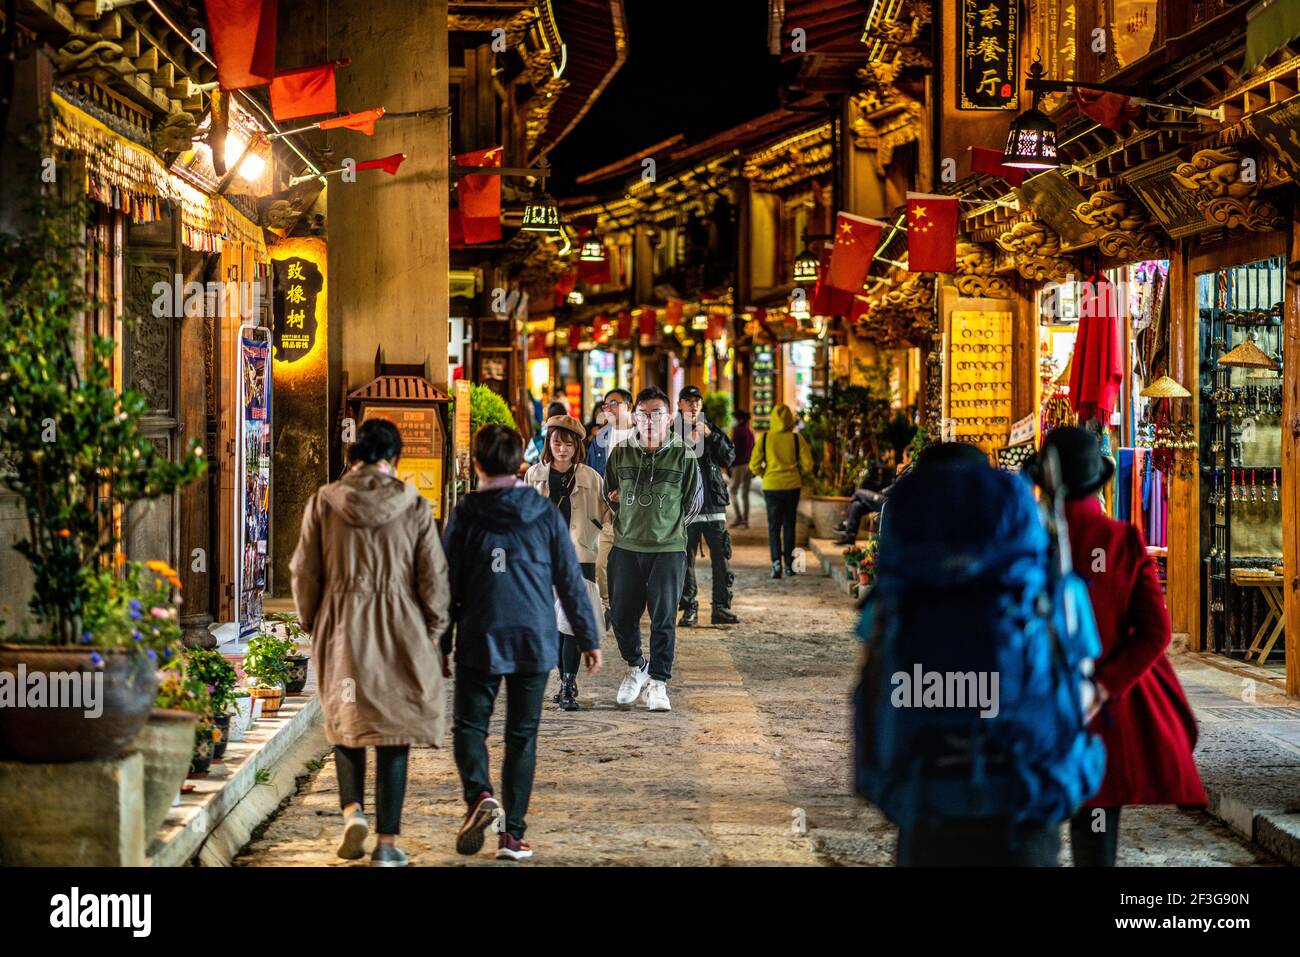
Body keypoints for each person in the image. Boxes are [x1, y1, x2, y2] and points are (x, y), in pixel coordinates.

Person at [853, 442, 1105, 867]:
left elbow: (874, 684)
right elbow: (1080, 683)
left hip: (926, 805)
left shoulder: (895, 600)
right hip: (1024, 807)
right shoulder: (1050, 590)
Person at [1028, 426, 1206, 867]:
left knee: (1034, 831)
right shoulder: (1121, 540)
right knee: (1096, 834)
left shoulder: (1022, 543)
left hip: (1031, 711)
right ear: (1097, 481)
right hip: (1101, 717)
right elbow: (1155, 634)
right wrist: (1103, 686)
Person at [289, 418, 449, 868]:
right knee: (393, 733)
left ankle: (351, 810)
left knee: (347, 720)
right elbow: (433, 578)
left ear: (354, 456)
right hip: (399, 628)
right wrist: (433, 631)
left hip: (342, 627)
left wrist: (313, 623)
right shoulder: (414, 504)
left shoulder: (324, 501)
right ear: (395, 459)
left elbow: (304, 571)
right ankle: (386, 843)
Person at [442, 424, 601, 861]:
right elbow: (568, 576)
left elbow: (447, 582)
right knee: (522, 737)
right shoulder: (542, 510)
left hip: (480, 633)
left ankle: (478, 795)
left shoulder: (465, 512)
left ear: (476, 463)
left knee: (470, 727)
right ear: (520, 464)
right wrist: (587, 636)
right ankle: (512, 836)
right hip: (534, 634)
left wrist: (441, 640)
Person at [603, 385, 701, 712]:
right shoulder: (620, 453)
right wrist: (634, 518)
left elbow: (692, 503)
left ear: (669, 417)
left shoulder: (684, 454)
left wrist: (665, 526)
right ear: (634, 416)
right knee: (620, 614)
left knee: (663, 617)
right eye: (643, 414)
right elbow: (610, 495)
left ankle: (659, 681)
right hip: (626, 546)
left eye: (656, 414)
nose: (649, 420)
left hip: (668, 549)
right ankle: (637, 665)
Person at [524, 413, 609, 710]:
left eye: (568, 444)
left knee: (571, 623)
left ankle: (567, 685)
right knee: (553, 624)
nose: (562, 449)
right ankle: (563, 680)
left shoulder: (591, 477)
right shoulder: (534, 475)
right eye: (557, 442)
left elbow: (606, 515)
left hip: (580, 556)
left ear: (577, 447)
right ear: (548, 443)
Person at [673, 385, 739, 627]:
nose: (693, 405)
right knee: (684, 560)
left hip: (713, 505)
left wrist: (711, 436)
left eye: (697, 401)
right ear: (679, 404)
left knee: (722, 558)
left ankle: (721, 607)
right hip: (686, 507)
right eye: (688, 401)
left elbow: (730, 457)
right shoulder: (672, 431)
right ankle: (689, 608)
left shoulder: (710, 427)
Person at [749, 403, 812, 579]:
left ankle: (776, 563)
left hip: (772, 486)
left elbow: (753, 464)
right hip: (792, 485)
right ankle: (789, 566)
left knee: (773, 526)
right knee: (789, 524)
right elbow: (808, 464)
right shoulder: (796, 439)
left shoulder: (766, 438)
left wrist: (766, 473)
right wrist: (798, 473)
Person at [587, 388, 635, 619]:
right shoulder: (599, 440)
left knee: (633, 565)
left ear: (630, 406)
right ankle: (609, 606)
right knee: (600, 564)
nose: (609, 409)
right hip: (607, 512)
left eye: (614, 403)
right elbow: (589, 473)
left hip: (637, 514)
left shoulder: (643, 438)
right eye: (606, 405)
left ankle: (629, 607)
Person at [728, 409, 755, 529]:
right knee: (745, 493)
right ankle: (746, 520)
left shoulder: (737, 431)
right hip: (749, 465)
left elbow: (733, 449)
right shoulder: (750, 432)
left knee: (732, 490)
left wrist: (729, 464)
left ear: (739, 419)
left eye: (734, 418)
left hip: (739, 465)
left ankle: (739, 517)